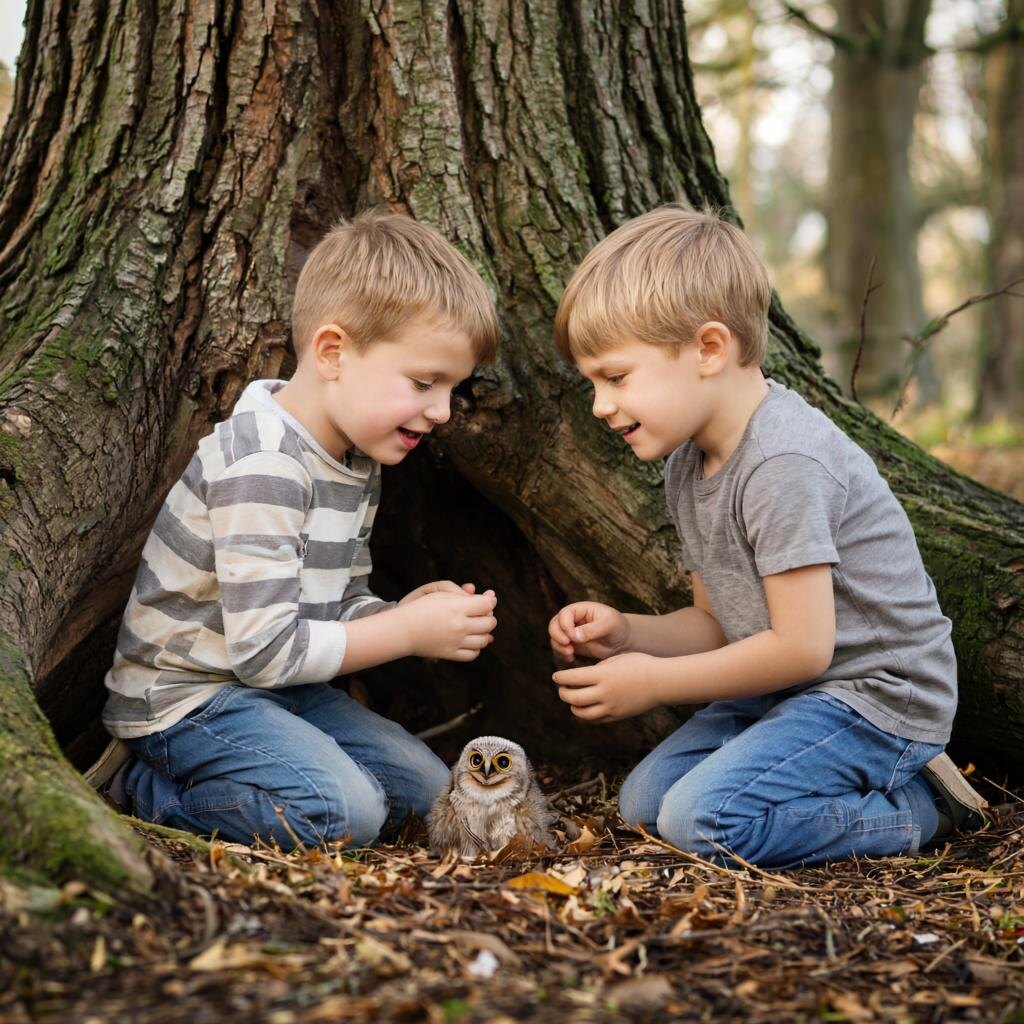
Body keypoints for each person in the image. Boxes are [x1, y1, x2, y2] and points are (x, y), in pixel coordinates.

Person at [547, 205, 985, 869]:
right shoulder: (687, 464)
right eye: (592, 383)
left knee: (703, 820)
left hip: (875, 697)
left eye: (615, 377)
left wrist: (656, 682)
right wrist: (629, 635)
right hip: (787, 690)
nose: (600, 405)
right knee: (644, 805)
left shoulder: (783, 461)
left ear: (709, 349)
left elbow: (803, 648)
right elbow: (715, 625)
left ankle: (922, 808)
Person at [101, 210, 500, 849]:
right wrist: (404, 633)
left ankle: (289, 776)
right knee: (344, 813)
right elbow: (264, 651)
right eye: (425, 382)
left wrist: (403, 615)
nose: (442, 411)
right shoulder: (265, 464)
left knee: (433, 796)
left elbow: (336, 604)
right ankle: (145, 793)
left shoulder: (356, 460)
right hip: (189, 699)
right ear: (334, 352)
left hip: (285, 689)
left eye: (451, 388)